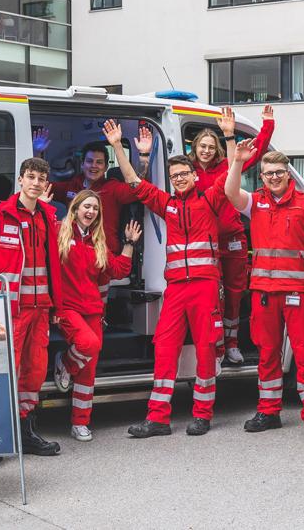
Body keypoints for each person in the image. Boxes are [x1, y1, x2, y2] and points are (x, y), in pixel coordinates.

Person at [102, 119, 226, 438]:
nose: (180, 179)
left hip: (204, 287)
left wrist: (228, 136)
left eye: (184, 174)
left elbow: (233, 169)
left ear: (195, 175)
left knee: (206, 349)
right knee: (164, 348)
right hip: (176, 289)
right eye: (174, 177)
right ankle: (158, 418)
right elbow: (132, 182)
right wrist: (117, 146)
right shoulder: (167, 204)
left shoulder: (210, 199)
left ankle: (203, 414)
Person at [222, 114, 304, 441]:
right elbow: (229, 192)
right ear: (262, 177)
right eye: (268, 174)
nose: (274, 178)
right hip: (264, 294)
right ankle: (269, 412)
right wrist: (238, 162)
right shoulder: (256, 204)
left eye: (279, 172)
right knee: (267, 353)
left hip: (297, 293)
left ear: (288, 173)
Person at [0, 157, 63, 469]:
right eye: (31, 177)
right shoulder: (0, 214)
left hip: (40, 309)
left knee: (34, 372)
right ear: (21, 180)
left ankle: (26, 433)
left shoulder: (49, 216)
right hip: (10, 310)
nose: (36, 183)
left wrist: (56, 307)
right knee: (3, 372)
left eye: (41, 178)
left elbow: (54, 265)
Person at [178, 105, 275, 366]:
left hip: (232, 237)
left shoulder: (227, 165)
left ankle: (231, 344)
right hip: (203, 242)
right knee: (213, 297)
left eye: (211, 146)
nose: (207, 150)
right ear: (195, 148)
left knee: (233, 294)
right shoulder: (187, 171)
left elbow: (258, 150)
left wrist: (266, 124)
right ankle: (217, 348)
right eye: (202, 146)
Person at [53, 190, 141, 441]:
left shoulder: (98, 242)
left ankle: (80, 423)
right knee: (88, 345)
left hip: (92, 309)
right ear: (75, 208)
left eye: (95, 209)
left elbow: (118, 269)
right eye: (86, 206)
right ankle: (65, 363)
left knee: (89, 369)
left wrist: (129, 244)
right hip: (68, 308)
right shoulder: (59, 232)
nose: (90, 212)